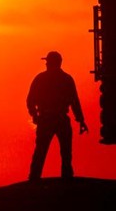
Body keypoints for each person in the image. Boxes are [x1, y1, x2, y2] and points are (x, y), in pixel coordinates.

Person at [26, 50, 88, 181]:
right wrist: (81, 120)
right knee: (66, 153)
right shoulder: (67, 79)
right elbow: (74, 101)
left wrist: (35, 115)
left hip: (46, 119)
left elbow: (30, 100)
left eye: (48, 62)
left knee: (40, 152)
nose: (46, 64)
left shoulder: (40, 79)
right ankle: (67, 179)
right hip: (61, 119)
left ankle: (33, 179)